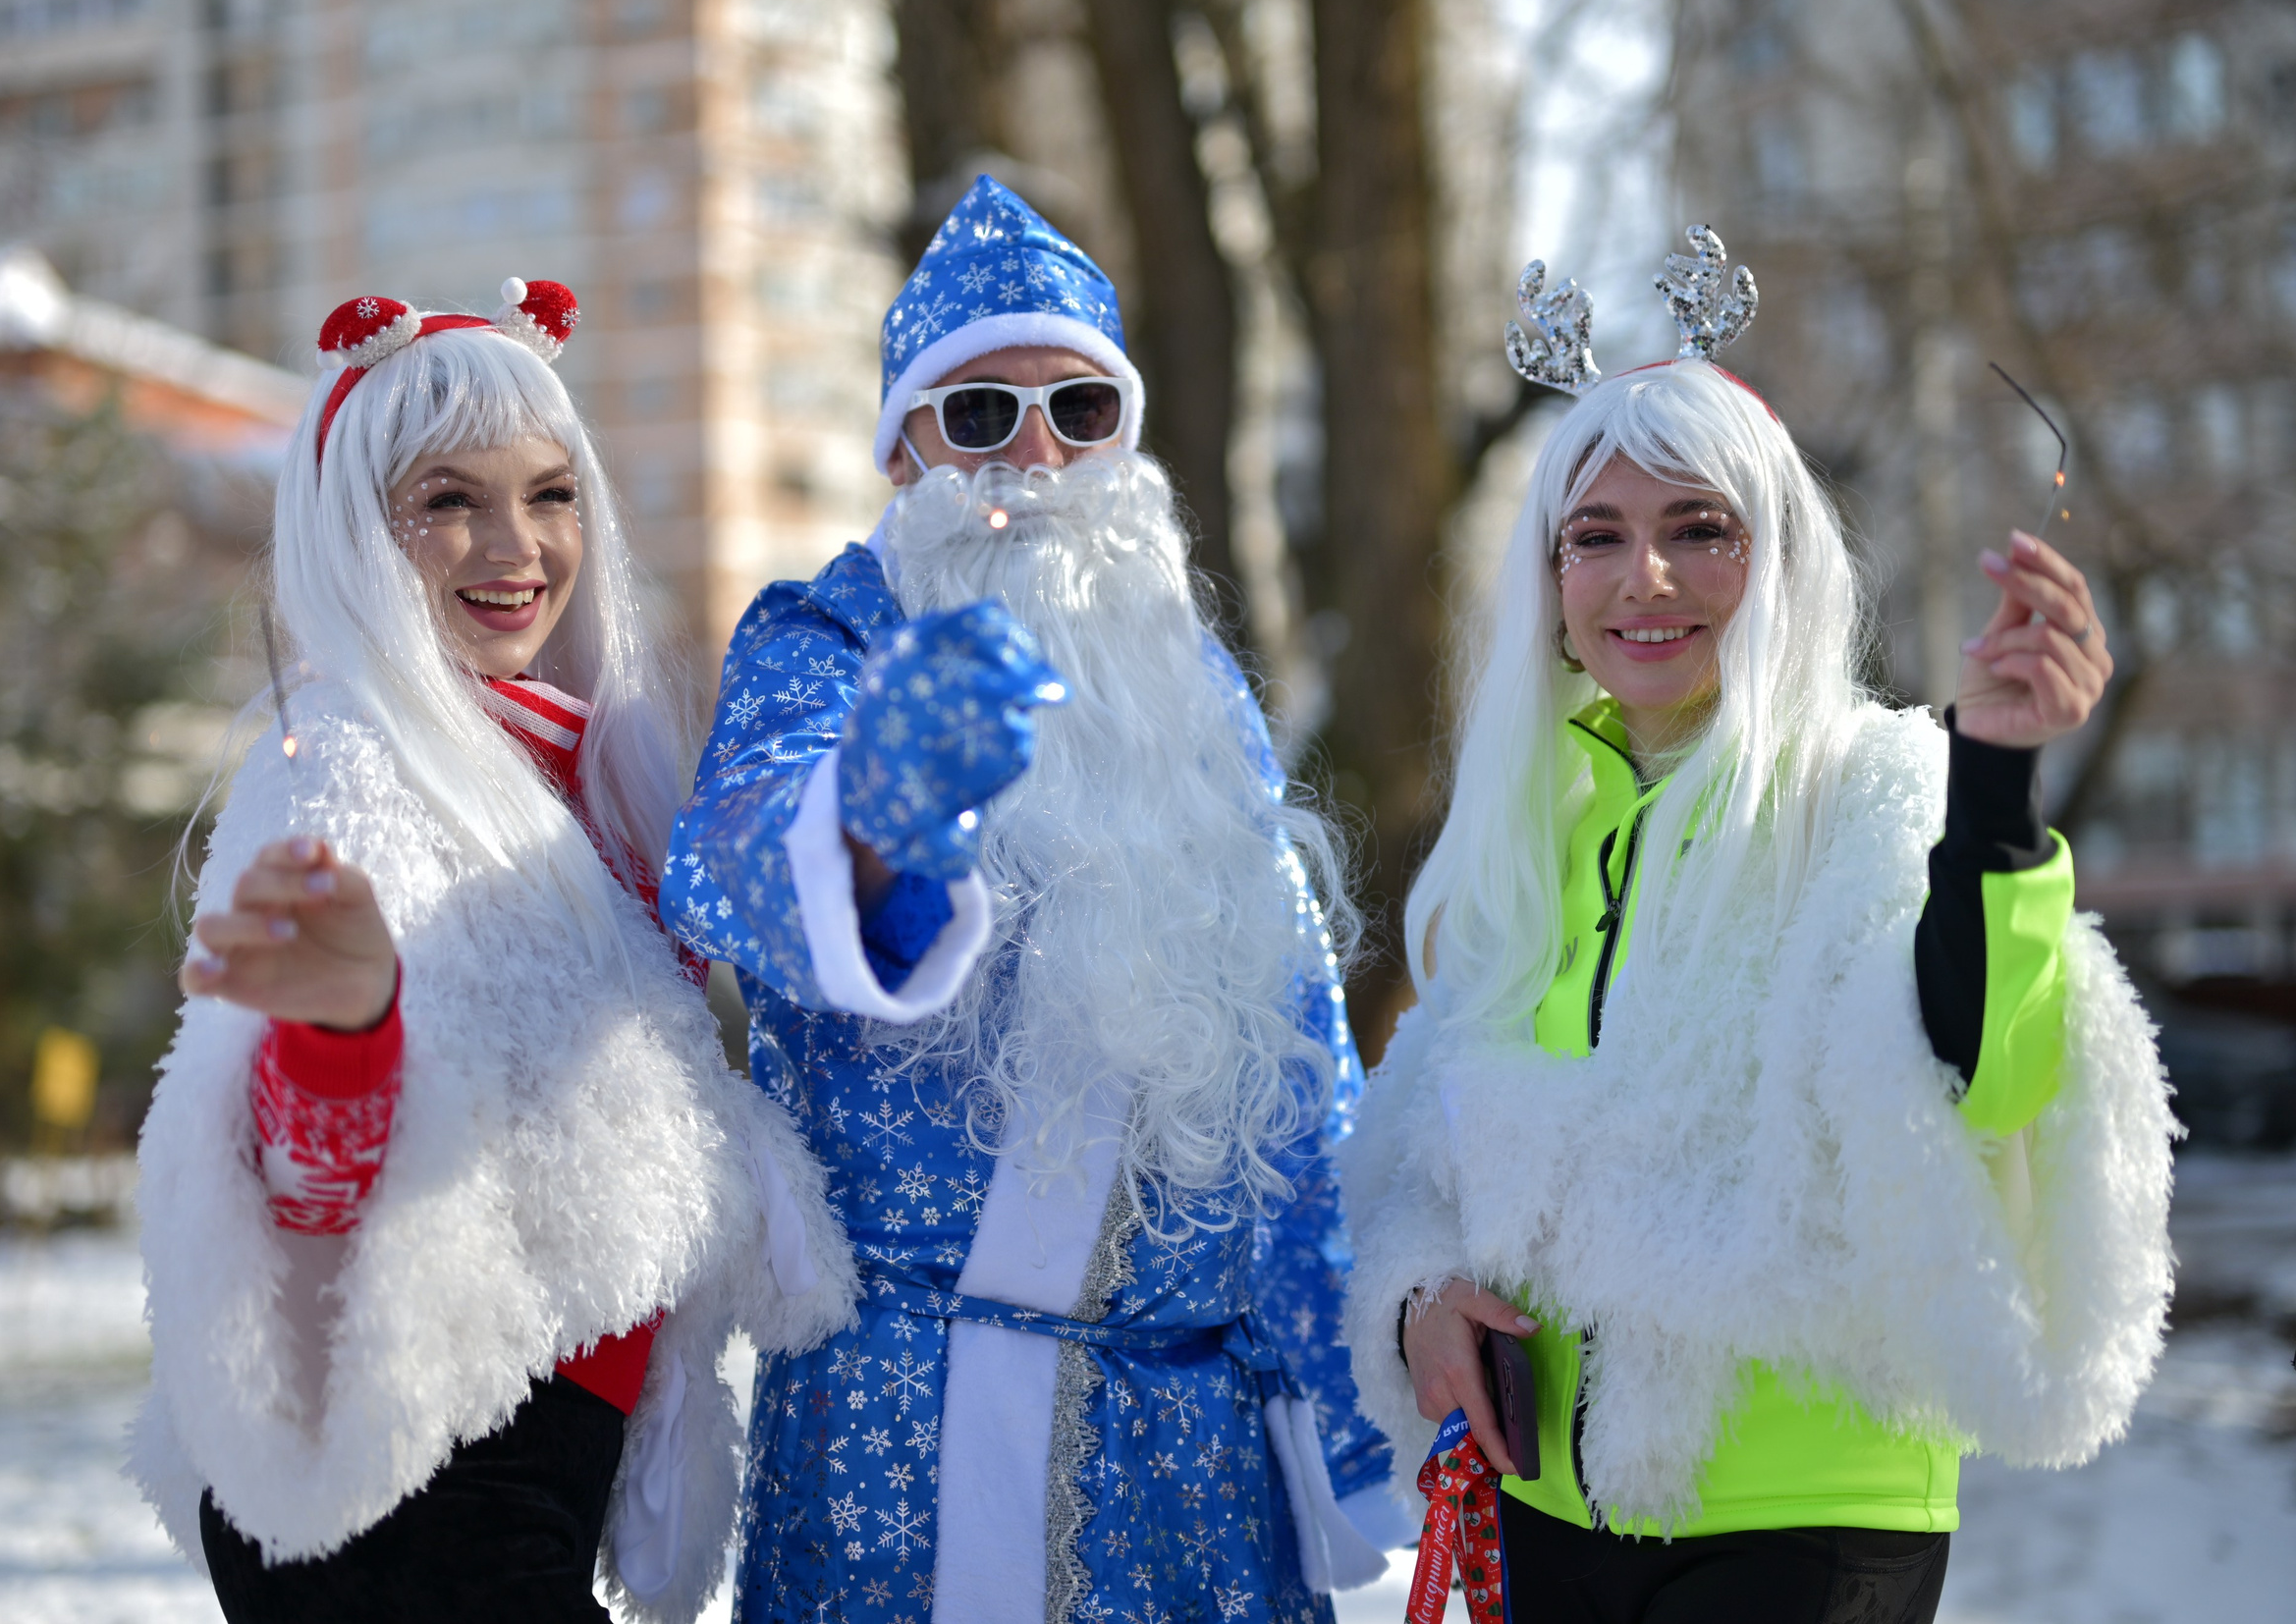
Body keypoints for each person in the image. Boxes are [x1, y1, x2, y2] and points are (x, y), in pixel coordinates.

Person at [1340, 231, 2175, 1624]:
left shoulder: (1868, 787)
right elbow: (1427, 1143)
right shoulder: (1523, 830)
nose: (1643, 580)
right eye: (1595, 537)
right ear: (1547, 586)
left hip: (1803, 1521)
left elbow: (1982, 1071)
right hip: (1547, 1513)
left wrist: (1998, 793)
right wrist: (1419, 1298)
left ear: (1776, 558)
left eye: (1699, 530)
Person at [661, 176, 1404, 1623]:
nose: (1038, 454)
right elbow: (733, 867)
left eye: (1081, 408)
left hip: (1200, 1480)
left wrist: (1367, 1367)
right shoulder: (829, 636)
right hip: (907, 1458)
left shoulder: (1191, 696)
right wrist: (874, 817)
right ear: (904, 450)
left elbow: (1298, 1058)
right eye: (982, 413)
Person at [130, 281, 855, 1624]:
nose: (513, 544)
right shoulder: (342, 780)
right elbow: (289, 1178)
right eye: (447, 499)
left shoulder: (586, 773)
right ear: (355, 530)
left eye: (552, 493)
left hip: (519, 1487)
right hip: (406, 1512)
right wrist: (343, 1034)